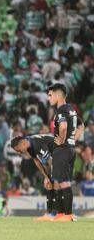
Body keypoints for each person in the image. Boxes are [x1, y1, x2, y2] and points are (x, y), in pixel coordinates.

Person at [47, 83, 84, 222]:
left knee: (62, 182)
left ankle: (67, 215)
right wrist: (71, 140)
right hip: (70, 149)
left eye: (50, 95)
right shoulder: (71, 110)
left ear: (58, 95)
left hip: (62, 150)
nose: (49, 98)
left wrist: (61, 141)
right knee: (60, 180)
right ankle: (61, 214)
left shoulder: (61, 111)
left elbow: (62, 127)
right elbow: (81, 126)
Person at [11, 134, 56, 221]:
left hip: (64, 154)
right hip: (55, 158)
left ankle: (58, 213)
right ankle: (49, 213)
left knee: (56, 184)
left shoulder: (37, 144)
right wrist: (46, 177)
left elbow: (50, 161)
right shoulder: (29, 145)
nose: (20, 152)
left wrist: (52, 176)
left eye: (19, 150)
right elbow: (37, 161)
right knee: (49, 184)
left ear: (22, 143)